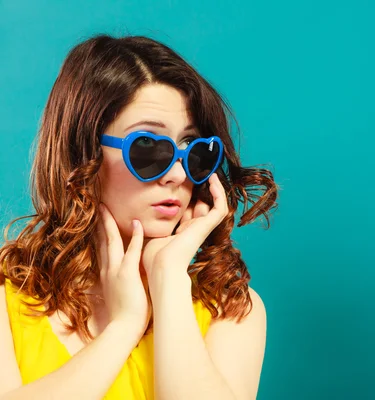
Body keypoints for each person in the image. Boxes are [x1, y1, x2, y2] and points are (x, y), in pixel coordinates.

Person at [0, 34, 278, 399]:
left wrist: (169, 282)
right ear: (83, 154)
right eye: (148, 147)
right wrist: (124, 327)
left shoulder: (230, 310)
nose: (178, 175)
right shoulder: (9, 298)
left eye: (194, 151)